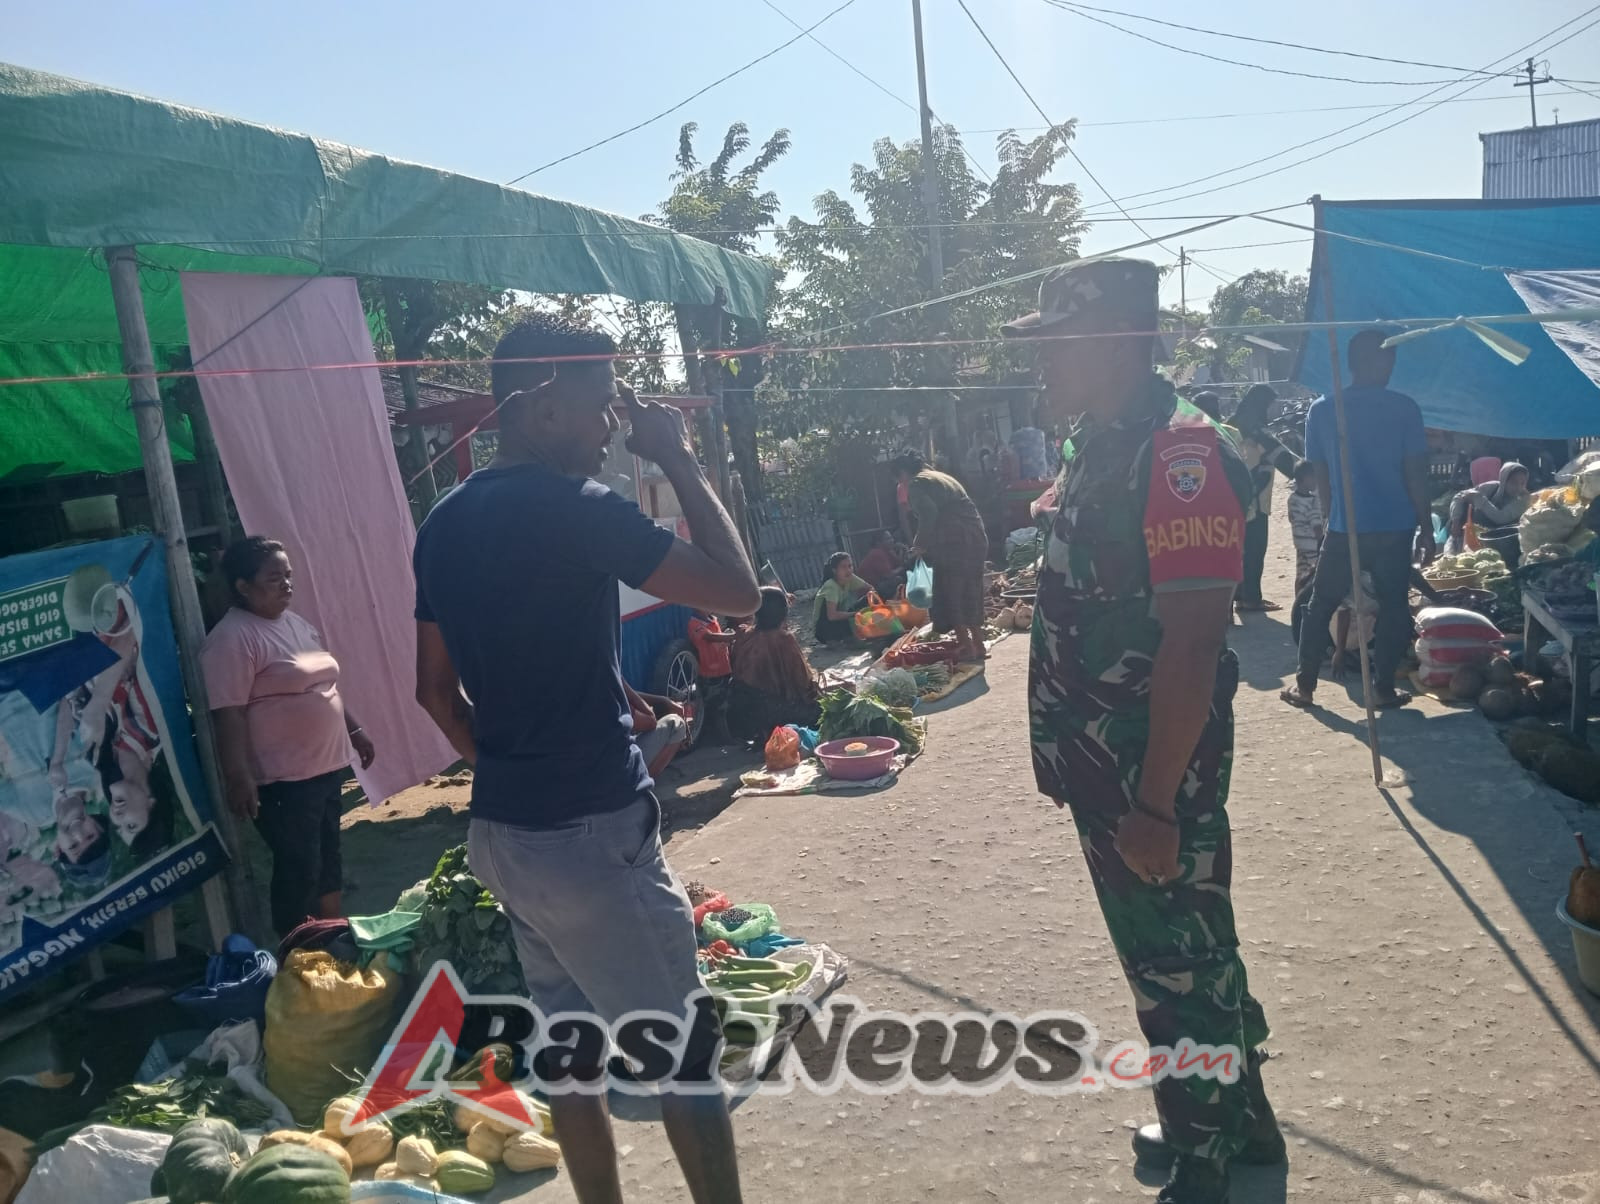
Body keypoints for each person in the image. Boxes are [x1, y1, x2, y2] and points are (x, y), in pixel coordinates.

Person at [411, 312, 757, 1204]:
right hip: (592, 834)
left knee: (570, 1052)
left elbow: (435, 693)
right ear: (540, 406)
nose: (613, 425)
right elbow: (740, 593)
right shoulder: (577, 507)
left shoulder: (443, 521)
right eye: (600, 402)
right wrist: (677, 457)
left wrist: (521, 764)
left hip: (505, 835)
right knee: (684, 1058)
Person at [1003, 257, 1281, 1204]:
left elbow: (1195, 641)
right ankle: (1240, 1124)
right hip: (1103, 763)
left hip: (1147, 772)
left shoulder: (1178, 454)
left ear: (1116, 341)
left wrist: (1156, 803)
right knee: (1187, 949)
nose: (1042, 362)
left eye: (1056, 343)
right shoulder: (1099, 439)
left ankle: (1206, 1161)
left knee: (1175, 968)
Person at [200, 536, 376, 937]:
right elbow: (228, 713)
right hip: (284, 779)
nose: (286, 584)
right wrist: (238, 775)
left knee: (328, 857)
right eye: (274, 577)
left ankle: (333, 936)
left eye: (288, 575)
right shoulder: (232, 639)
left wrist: (354, 730)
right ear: (243, 586)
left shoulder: (296, 624)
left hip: (327, 766)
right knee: (299, 866)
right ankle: (297, 950)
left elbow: (325, 686)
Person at [1281, 329, 1435, 711]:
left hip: (1346, 525)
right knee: (1392, 607)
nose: (1391, 366)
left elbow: (1322, 476)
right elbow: (1416, 474)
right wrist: (1426, 527)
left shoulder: (1323, 410)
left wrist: (1331, 518)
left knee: (1320, 605)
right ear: (1373, 362)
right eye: (1388, 359)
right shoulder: (1404, 408)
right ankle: (1381, 689)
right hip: (1394, 526)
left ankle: (1305, 686)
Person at [893, 451, 990, 664]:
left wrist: (919, 545)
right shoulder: (940, 476)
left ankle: (966, 647)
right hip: (976, 537)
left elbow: (928, 513)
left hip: (954, 541)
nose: (901, 484)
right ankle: (979, 644)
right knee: (971, 591)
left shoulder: (917, 483)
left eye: (899, 479)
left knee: (949, 593)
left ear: (903, 473)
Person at [1230, 384, 1299, 613]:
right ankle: (1252, 598)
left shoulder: (1231, 424)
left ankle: (1240, 595)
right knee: (1255, 548)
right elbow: (1285, 461)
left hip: (1234, 498)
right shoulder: (1259, 432)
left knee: (1239, 549)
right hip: (1256, 499)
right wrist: (1306, 472)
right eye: (1270, 405)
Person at [728, 588, 824, 743]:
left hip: (743, 716)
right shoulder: (784, 640)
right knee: (822, 711)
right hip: (773, 713)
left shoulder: (744, 635)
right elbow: (803, 683)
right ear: (783, 613)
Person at [1447, 461, 1530, 551]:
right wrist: (1456, 520)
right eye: (1513, 482)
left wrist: (1480, 500)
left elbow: (1500, 518)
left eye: (1522, 483)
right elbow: (1459, 497)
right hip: (1475, 539)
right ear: (1504, 480)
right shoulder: (1491, 488)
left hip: (1504, 545)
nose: (1518, 487)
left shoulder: (1523, 500)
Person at [687, 610, 737, 744]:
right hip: (710, 672)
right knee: (717, 708)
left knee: (723, 704)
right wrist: (732, 636)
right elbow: (709, 637)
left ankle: (726, 736)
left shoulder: (712, 620)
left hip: (723, 668)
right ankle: (725, 739)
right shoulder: (694, 623)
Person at [625, 682, 688, 779]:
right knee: (677, 724)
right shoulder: (610, 695)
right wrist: (662, 706)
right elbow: (650, 722)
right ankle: (642, 782)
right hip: (615, 765)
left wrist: (663, 700)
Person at [813, 552, 871, 645]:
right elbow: (832, 616)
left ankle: (870, 629)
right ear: (834, 570)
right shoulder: (831, 586)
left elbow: (870, 589)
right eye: (843, 567)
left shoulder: (850, 577)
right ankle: (844, 639)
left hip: (839, 617)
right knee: (850, 616)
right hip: (823, 629)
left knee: (869, 597)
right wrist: (856, 614)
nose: (848, 570)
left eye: (850, 566)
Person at [1287, 460, 1324, 598]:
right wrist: (1322, 543)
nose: (1316, 481)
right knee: (1315, 575)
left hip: (1299, 544)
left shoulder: (1292, 499)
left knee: (1300, 575)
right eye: (1314, 477)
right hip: (1312, 545)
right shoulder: (1313, 501)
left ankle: (1297, 601)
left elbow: (1291, 519)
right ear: (1306, 478)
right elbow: (1316, 526)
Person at [856, 530, 904, 597]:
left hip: (877, 586)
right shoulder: (877, 553)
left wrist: (901, 551)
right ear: (878, 543)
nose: (892, 540)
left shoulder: (887, 551)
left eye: (891, 538)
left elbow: (899, 564)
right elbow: (888, 575)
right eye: (888, 539)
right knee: (898, 579)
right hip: (868, 593)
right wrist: (904, 567)